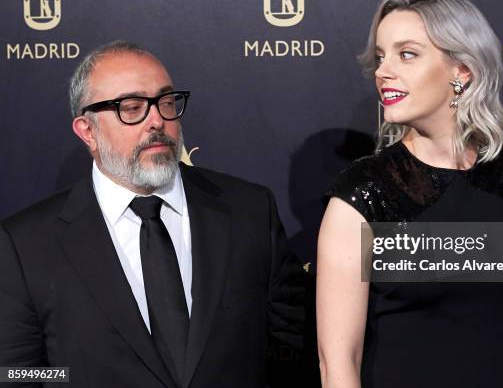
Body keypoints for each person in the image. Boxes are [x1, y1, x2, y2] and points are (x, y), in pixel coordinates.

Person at [316, 0, 503, 388]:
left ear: (462, 71)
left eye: (406, 54)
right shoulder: (363, 193)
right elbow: (338, 361)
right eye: (380, 56)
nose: (382, 70)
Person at [0, 40, 304, 388]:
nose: (157, 120)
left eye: (166, 101)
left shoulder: (250, 211)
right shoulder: (25, 245)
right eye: (131, 108)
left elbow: (291, 350)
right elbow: (17, 374)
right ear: (88, 131)